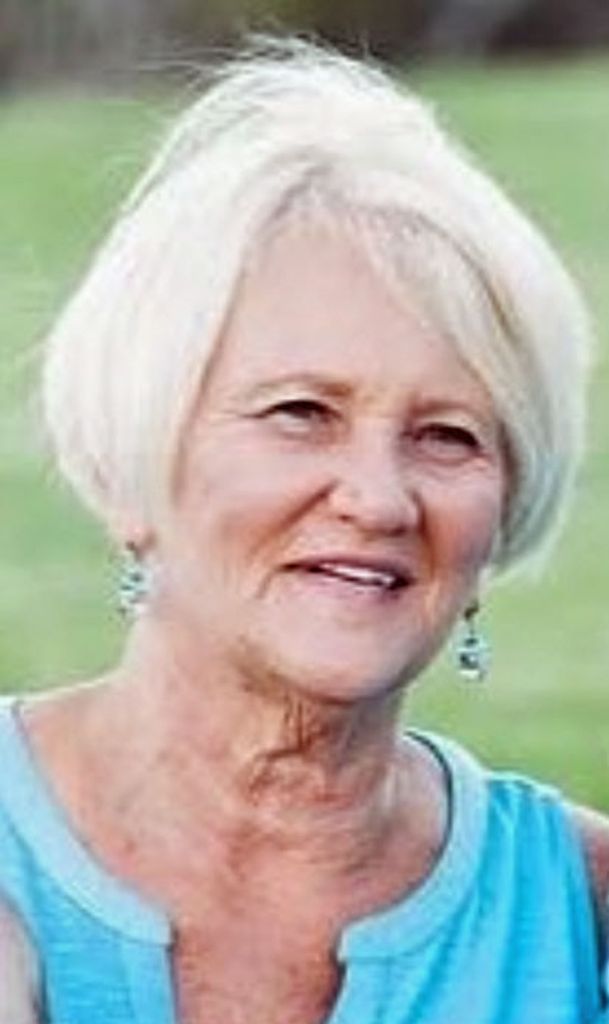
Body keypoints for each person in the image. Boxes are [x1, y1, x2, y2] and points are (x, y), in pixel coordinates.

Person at [1, 37, 607, 1024]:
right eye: (300, 412)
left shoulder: (580, 911)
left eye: (446, 435)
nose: (378, 499)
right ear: (134, 462)